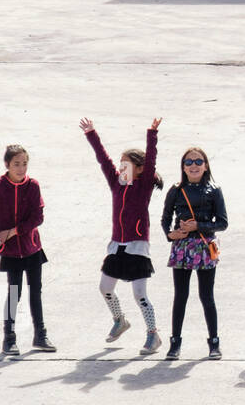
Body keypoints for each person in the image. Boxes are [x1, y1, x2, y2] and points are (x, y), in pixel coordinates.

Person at [82, 117, 165, 356]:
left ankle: (153, 335)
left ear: (139, 170)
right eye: (120, 166)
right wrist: (91, 134)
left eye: (126, 165)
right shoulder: (116, 184)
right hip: (116, 245)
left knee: (140, 294)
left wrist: (151, 133)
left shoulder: (143, 185)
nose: (121, 169)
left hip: (137, 247)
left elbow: (151, 160)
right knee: (105, 287)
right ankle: (120, 320)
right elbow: (103, 159)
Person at [0, 145, 54, 356]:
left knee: (36, 291)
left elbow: (38, 218)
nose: (21, 168)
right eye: (16, 164)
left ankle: (40, 335)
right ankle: (9, 338)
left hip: (32, 248)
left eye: (25, 163)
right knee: (14, 293)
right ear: (7, 164)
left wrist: (12, 231)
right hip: (11, 252)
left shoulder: (33, 186)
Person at [160, 146, 228, 360]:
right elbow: (165, 218)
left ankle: (214, 343)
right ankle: (175, 343)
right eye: (189, 162)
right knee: (180, 296)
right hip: (182, 248)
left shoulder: (214, 190)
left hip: (204, 247)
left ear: (206, 165)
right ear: (183, 167)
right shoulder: (176, 189)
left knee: (206, 296)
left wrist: (197, 226)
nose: (194, 166)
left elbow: (223, 223)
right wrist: (171, 235)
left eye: (198, 162)